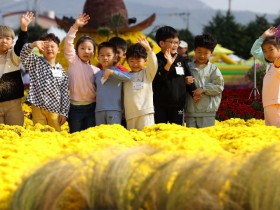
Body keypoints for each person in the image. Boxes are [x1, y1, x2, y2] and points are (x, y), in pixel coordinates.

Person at [20, 33, 70, 131]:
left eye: (52, 46)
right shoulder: (35, 62)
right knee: (39, 133)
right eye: (46, 47)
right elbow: (23, 55)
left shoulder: (62, 72)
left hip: (54, 109)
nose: (49, 49)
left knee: (55, 133)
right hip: (37, 107)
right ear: (40, 50)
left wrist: (64, 113)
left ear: (58, 50)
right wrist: (33, 44)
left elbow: (64, 94)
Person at [152, 26, 196, 126]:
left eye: (177, 42)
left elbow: (188, 77)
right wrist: (168, 64)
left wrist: (194, 91)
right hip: (159, 104)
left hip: (178, 104)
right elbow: (157, 79)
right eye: (171, 42)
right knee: (159, 131)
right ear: (161, 43)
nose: (175, 45)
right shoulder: (155, 59)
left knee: (177, 131)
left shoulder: (181, 59)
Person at [64, 13, 100, 133]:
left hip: (92, 108)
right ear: (77, 50)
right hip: (75, 108)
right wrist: (75, 26)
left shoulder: (97, 71)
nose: (86, 51)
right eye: (82, 48)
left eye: (90, 49)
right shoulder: (74, 62)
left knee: (90, 137)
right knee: (74, 136)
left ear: (94, 52)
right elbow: (68, 42)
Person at [0, 11, 34, 126]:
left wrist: (24, 28)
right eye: (0, 38)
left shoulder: (13, 55)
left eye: (7, 38)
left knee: (15, 134)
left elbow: (20, 45)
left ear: (12, 42)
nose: (3, 40)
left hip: (13, 105)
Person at [185, 34, 224, 128]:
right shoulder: (187, 67)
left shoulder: (214, 69)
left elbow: (219, 87)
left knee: (206, 139)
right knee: (190, 140)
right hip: (190, 111)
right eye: (199, 52)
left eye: (206, 53)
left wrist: (204, 89)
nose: (202, 55)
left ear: (211, 53)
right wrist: (184, 81)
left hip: (207, 113)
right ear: (194, 51)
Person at [123, 38, 158, 130]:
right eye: (132, 61)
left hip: (145, 113)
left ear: (145, 61)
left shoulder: (147, 73)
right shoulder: (124, 76)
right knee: (133, 140)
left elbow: (154, 64)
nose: (135, 64)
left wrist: (149, 50)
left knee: (147, 138)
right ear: (127, 61)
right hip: (130, 115)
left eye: (138, 61)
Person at [94, 42, 131, 125]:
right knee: (100, 135)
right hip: (99, 110)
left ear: (114, 58)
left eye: (108, 55)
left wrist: (112, 72)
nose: (105, 58)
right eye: (102, 55)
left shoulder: (117, 72)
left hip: (114, 110)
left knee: (113, 134)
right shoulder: (97, 74)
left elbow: (130, 77)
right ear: (98, 58)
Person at [251, 26, 280, 127]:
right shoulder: (270, 64)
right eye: (265, 51)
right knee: (271, 133)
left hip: (277, 103)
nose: (267, 53)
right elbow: (254, 51)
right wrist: (263, 36)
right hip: (268, 104)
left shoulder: (277, 63)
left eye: (270, 49)